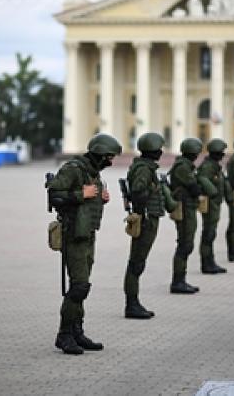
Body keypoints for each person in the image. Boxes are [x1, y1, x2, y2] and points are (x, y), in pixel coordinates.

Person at [47, 133, 121, 354]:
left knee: (83, 285)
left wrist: (101, 198)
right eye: (108, 157)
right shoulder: (73, 169)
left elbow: (88, 202)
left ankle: (77, 330)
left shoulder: (93, 173)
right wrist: (82, 194)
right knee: (79, 286)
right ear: (98, 154)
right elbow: (55, 196)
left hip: (87, 235)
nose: (111, 161)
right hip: (73, 235)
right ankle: (64, 334)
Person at [123, 132, 166, 319]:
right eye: (159, 149)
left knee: (138, 262)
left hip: (147, 218)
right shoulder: (144, 170)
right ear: (153, 150)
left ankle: (133, 302)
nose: (161, 152)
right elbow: (138, 192)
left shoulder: (145, 167)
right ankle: (132, 304)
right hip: (146, 220)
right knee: (136, 263)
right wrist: (154, 189)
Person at [169, 137, 203, 293]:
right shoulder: (182, 166)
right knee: (185, 244)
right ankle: (178, 282)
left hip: (188, 207)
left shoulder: (186, 165)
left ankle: (180, 279)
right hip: (184, 208)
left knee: (186, 243)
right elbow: (193, 186)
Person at [197, 138, 228, 274]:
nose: (223, 155)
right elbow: (202, 179)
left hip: (215, 204)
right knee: (208, 233)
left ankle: (210, 261)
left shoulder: (214, 165)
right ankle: (206, 263)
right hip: (210, 204)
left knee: (211, 232)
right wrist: (213, 192)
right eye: (221, 152)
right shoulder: (208, 167)